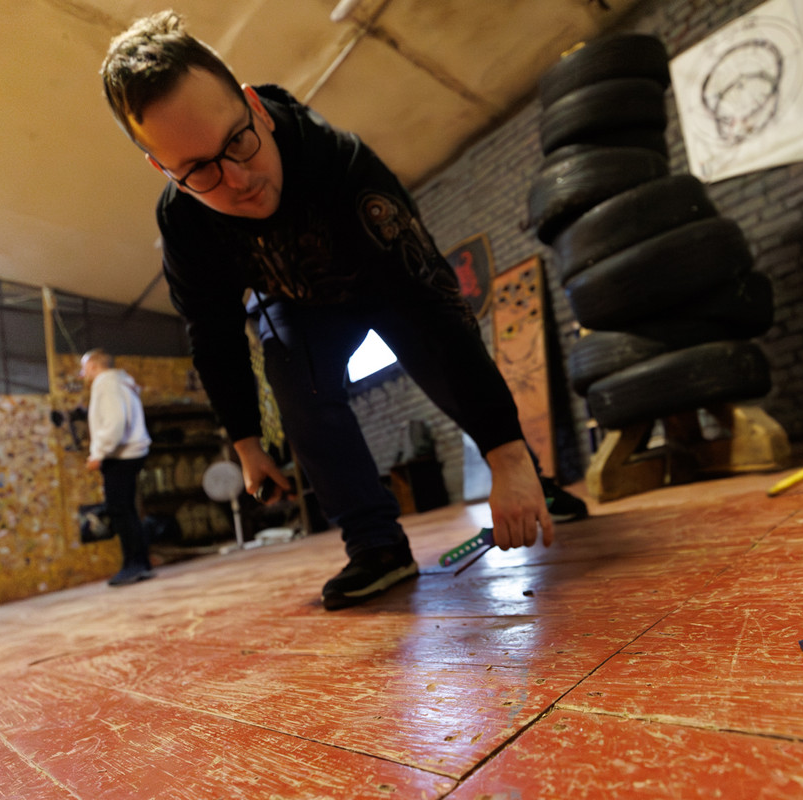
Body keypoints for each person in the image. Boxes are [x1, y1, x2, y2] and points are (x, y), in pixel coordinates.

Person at [100, 11, 587, 610]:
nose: (238, 180)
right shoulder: (184, 224)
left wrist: (506, 455)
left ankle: (532, 479)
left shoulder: (343, 165)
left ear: (254, 107)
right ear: (165, 171)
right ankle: (375, 543)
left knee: (430, 349)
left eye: (237, 142)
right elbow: (213, 332)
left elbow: (436, 306)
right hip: (296, 303)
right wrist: (247, 443)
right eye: (199, 170)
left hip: (383, 283)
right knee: (293, 378)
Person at [80, 348, 154, 586]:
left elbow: (114, 422)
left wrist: (99, 453)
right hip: (130, 452)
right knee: (126, 509)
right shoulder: (121, 381)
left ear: (93, 365)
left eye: (84, 367)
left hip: (121, 454)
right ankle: (139, 564)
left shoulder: (106, 383)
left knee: (120, 510)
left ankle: (134, 565)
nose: (82, 373)